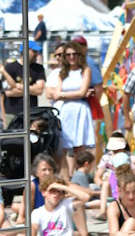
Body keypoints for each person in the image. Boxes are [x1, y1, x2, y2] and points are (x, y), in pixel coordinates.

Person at [49, 42, 94, 176]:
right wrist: (64, 95)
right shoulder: (62, 72)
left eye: (74, 54)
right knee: (62, 148)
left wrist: (63, 95)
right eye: (68, 54)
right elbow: (55, 93)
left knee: (79, 149)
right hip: (65, 111)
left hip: (80, 109)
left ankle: (79, 177)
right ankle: (66, 180)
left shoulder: (85, 70)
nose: (71, 57)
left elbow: (81, 92)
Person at [4, 44, 46, 127]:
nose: (36, 54)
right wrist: (31, 89)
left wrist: (18, 86)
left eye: (37, 52)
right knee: (12, 138)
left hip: (32, 112)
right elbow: (8, 92)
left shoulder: (38, 68)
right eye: (33, 51)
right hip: (12, 112)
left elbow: (39, 90)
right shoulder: (10, 67)